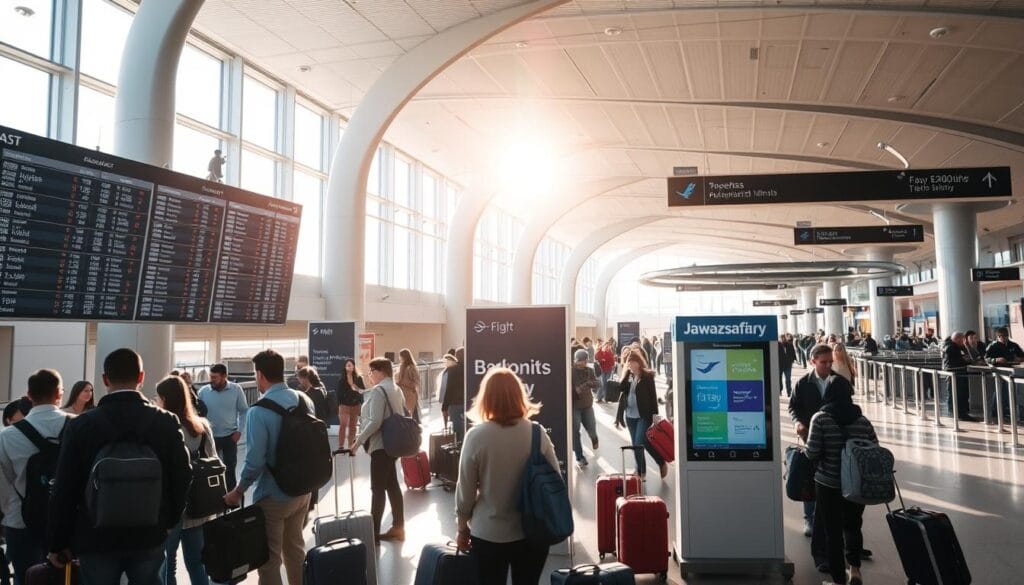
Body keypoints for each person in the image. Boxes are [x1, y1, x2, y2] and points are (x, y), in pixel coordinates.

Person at [46, 348, 191, 584]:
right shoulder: (165, 421)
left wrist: (58, 542)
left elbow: (64, 487)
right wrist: (169, 521)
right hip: (149, 533)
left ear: (105, 379)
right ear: (141, 377)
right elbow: (183, 474)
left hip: (95, 537)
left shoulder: (81, 425)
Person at [455, 367, 558, 585]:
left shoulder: (476, 436)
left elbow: (465, 490)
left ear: (485, 398)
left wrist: (462, 526)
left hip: (488, 533)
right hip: (532, 532)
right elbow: (556, 481)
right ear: (520, 396)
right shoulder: (538, 433)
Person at [224, 349, 314, 585]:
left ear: (260, 374)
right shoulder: (304, 400)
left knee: (269, 560)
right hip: (303, 489)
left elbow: (255, 461)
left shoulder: (259, 411)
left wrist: (238, 491)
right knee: (295, 549)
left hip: (274, 496)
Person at [789, 344, 859, 570]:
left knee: (831, 497)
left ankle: (839, 547)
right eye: (824, 362)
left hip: (834, 446)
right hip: (812, 439)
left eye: (830, 362)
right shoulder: (803, 384)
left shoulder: (840, 383)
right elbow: (794, 407)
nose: (828, 366)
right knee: (812, 484)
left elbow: (849, 412)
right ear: (813, 361)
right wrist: (798, 422)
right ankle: (810, 521)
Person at [0, 369, 73, 584]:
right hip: (70, 524)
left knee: (26, 577)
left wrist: (13, 509)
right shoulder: (80, 426)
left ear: (29, 396)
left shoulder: (7, 435)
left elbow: (2, 483)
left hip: (22, 522)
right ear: (59, 394)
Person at [805, 382, 877, 585]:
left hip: (828, 483)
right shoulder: (862, 420)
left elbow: (812, 452)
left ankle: (838, 580)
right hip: (856, 484)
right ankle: (854, 569)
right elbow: (874, 447)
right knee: (853, 526)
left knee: (833, 533)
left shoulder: (820, 419)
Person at [155, 376, 216, 585]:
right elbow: (213, 460)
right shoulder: (202, 426)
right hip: (199, 506)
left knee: (167, 564)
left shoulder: (163, 427)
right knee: (198, 563)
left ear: (164, 399)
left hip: (171, 508)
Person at [350, 357, 406, 543]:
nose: (369, 376)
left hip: (381, 445)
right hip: (394, 444)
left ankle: (373, 532)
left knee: (378, 489)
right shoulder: (396, 388)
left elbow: (375, 421)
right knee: (392, 486)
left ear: (380, 371)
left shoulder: (379, 390)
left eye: (371, 372)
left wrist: (358, 442)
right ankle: (399, 527)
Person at [615, 350, 667, 480]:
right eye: (629, 363)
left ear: (639, 362)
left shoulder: (647, 377)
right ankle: (641, 471)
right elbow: (621, 389)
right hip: (630, 416)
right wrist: (626, 374)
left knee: (640, 441)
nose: (631, 365)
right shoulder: (629, 376)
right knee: (636, 445)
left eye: (633, 362)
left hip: (643, 415)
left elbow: (652, 397)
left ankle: (660, 461)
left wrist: (655, 416)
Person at [197, 363, 248, 491]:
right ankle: (212, 496)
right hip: (209, 437)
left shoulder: (236, 389)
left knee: (230, 468)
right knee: (209, 469)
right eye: (211, 376)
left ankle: (231, 499)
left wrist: (239, 432)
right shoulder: (203, 392)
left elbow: (244, 411)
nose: (211, 380)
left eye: (215, 377)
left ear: (224, 376)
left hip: (230, 436)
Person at [984, 326, 1024, 423]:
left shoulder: (1013, 345)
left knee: (1011, 392)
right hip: (1000, 371)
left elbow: (1022, 355)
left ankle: (1007, 412)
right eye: (1002, 336)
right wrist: (996, 360)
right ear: (998, 337)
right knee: (999, 392)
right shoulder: (993, 346)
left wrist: (1019, 359)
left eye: (1006, 336)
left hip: (1012, 371)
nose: (1004, 338)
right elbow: (986, 359)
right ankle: (995, 413)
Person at [571, 349, 600, 467]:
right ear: (575, 360)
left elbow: (597, 384)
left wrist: (587, 384)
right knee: (575, 431)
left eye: (584, 360)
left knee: (592, 429)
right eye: (579, 360)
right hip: (575, 407)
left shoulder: (590, 370)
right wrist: (576, 390)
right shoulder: (571, 372)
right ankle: (579, 456)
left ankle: (594, 438)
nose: (582, 363)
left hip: (587, 405)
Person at [941, 332, 977, 422]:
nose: (964, 341)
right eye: (962, 340)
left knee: (960, 393)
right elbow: (960, 360)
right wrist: (967, 360)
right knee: (958, 394)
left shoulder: (955, 346)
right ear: (957, 339)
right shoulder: (951, 347)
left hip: (958, 373)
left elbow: (967, 357)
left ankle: (960, 412)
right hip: (956, 373)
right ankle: (960, 413)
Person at [335, 358, 365, 451]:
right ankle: (341, 446)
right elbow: (338, 393)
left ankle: (351, 446)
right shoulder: (342, 379)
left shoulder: (359, 378)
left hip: (355, 405)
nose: (349, 366)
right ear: (345, 367)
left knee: (353, 426)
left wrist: (361, 403)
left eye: (350, 365)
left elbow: (362, 391)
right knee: (343, 425)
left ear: (354, 366)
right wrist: (339, 404)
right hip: (344, 405)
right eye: (347, 365)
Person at [442, 347, 467, 443]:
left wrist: (444, 407)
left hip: (455, 404)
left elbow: (449, 389)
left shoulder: (452, 370)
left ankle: (459, 449)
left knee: (457, 430)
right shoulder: (472, 368)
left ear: (456, 357)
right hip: (468, 403)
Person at [396, 348, 421, 423]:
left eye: (400, 356)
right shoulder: (402, 367)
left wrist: (401, 383)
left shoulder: (410, 368)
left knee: (408, 415)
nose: (399, 358)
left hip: (409, 394)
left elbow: (415, 382)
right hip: (403, 394)